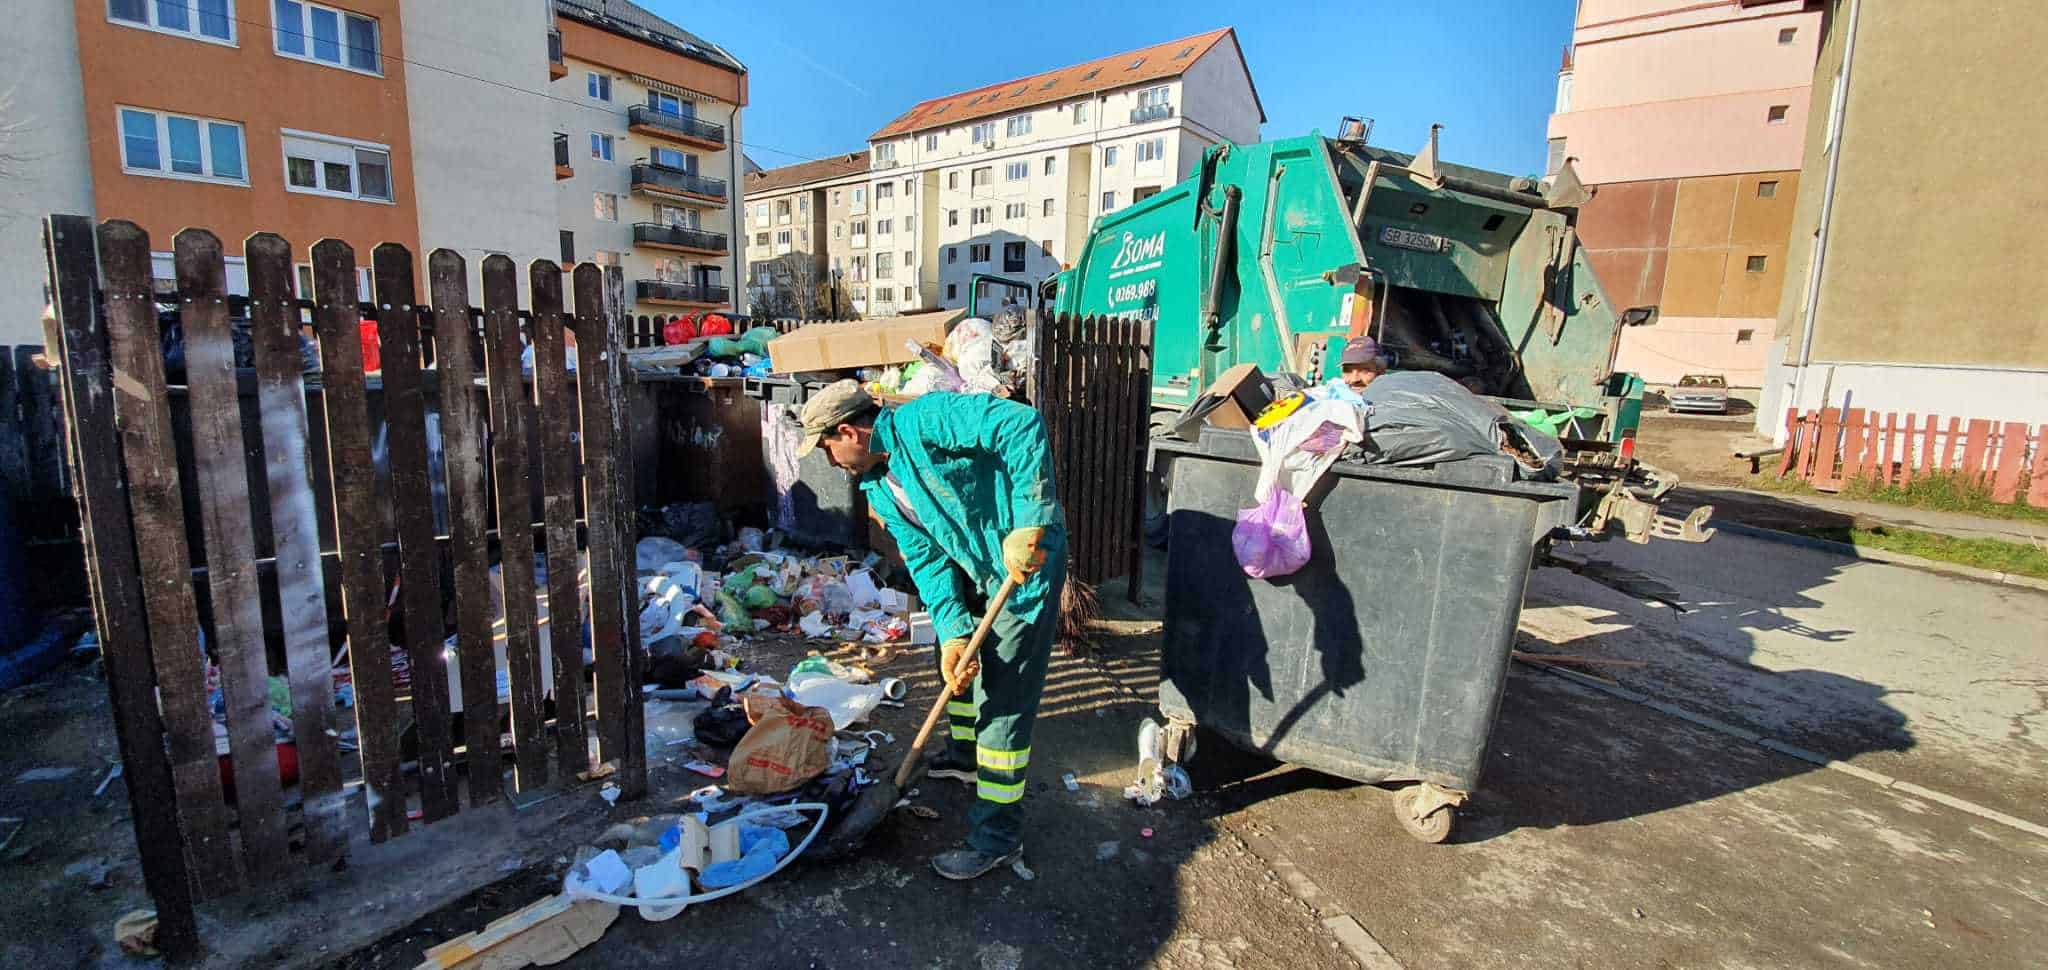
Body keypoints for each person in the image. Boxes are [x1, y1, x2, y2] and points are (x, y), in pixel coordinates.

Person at [795, 380, 1066, 880]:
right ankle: (964, 756)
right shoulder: (879, 485)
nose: (831, 464)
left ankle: (997, 836)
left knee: (1002, 704)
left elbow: (1022, 424)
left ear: (849, 431)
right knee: (955, 659)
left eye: (827, 449)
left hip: (1023, 563)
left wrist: (1031, 521)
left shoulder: (927, 420)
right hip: (971, 564)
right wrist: (954, 629)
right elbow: (927, 559)